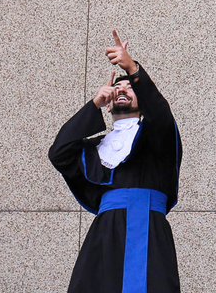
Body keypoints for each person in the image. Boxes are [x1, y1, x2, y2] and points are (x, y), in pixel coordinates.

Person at [49, 30, 183, 293]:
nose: (122, 89)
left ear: (142, 100)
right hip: (105, 232)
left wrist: (132, 68)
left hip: (149, 228)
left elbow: (160, 114)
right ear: (109, 105)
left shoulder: (155, 135)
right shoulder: (96, 148)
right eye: (117, 88)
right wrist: (94, 104)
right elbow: (59, 153)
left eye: (130, 87)